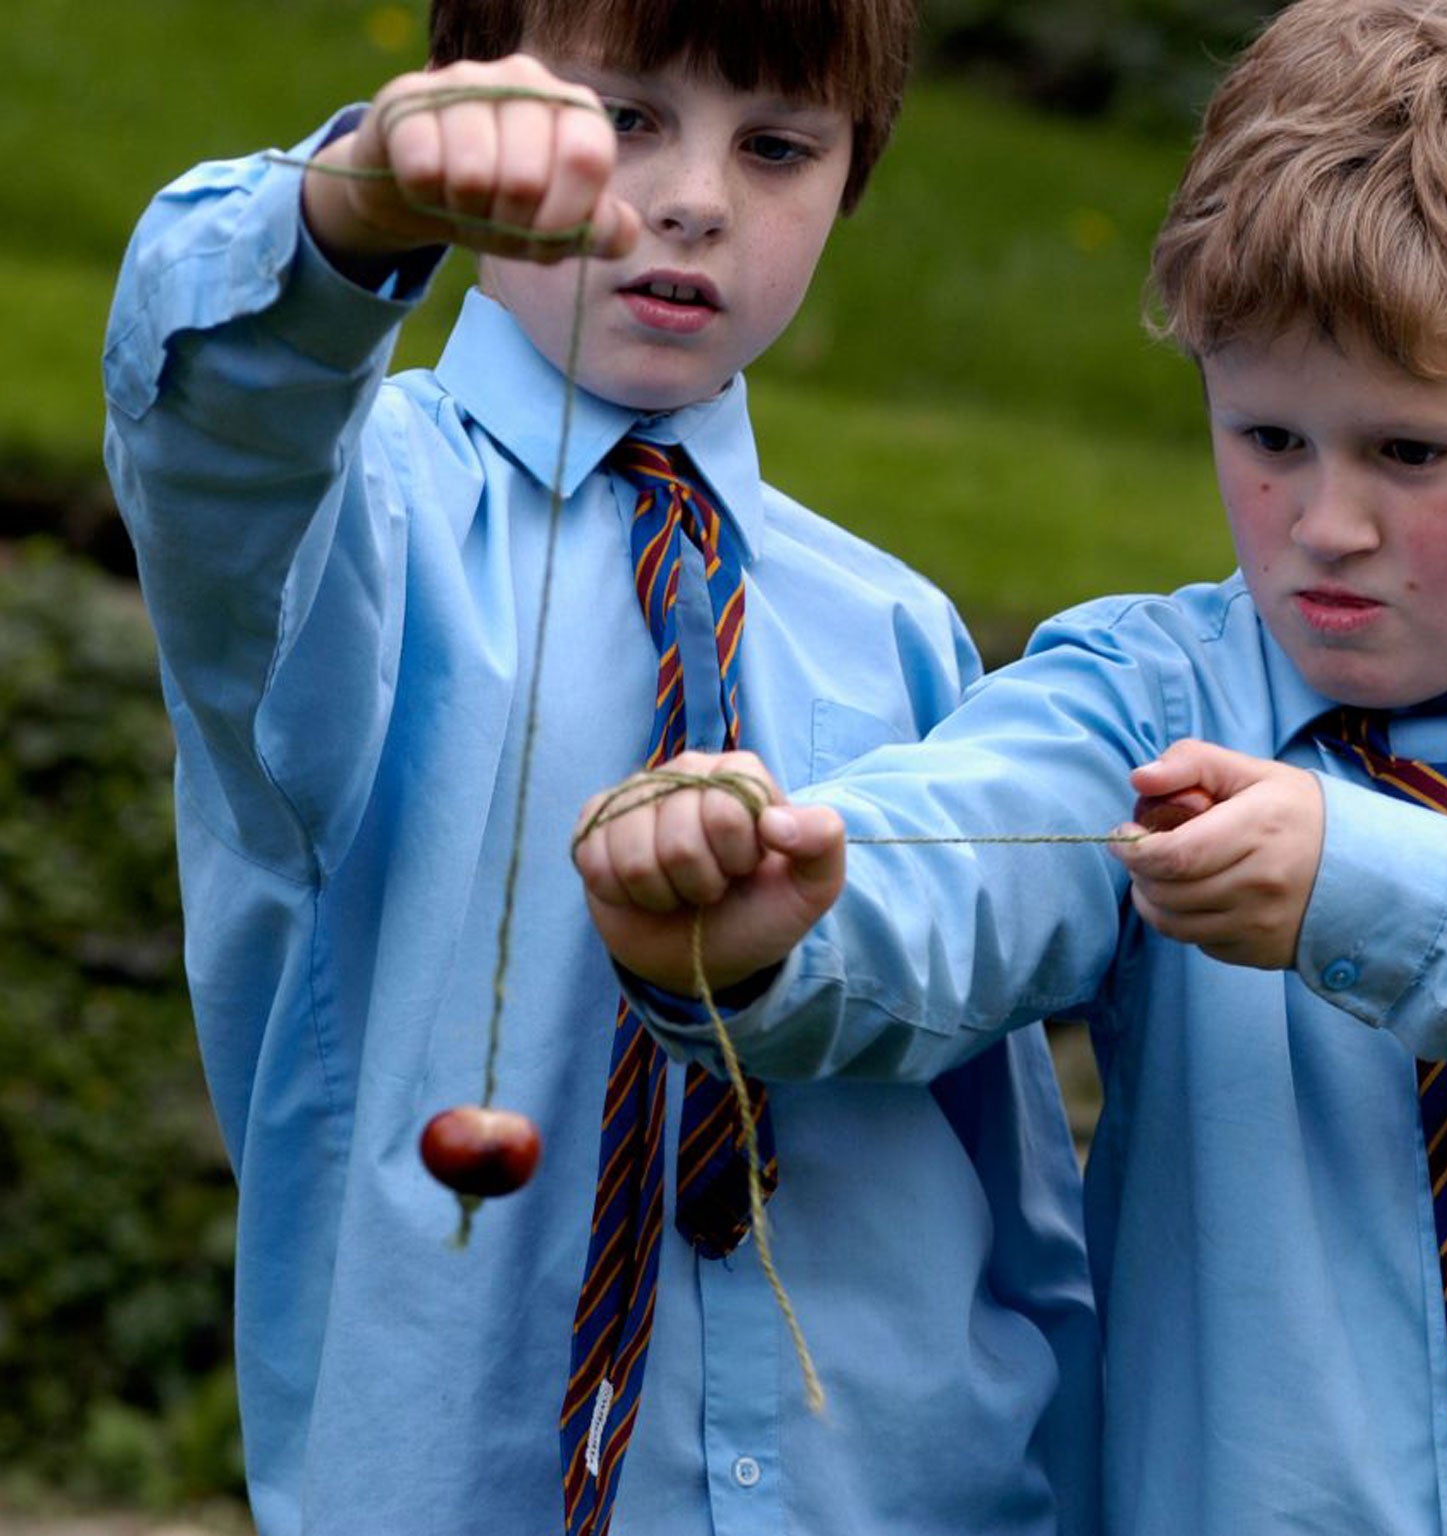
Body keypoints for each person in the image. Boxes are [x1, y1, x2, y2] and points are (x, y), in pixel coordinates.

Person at [573, 1, 1447, 1532]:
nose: (1327, 524)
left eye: (1411, 453)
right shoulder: (1142, 698)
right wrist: (770, 924)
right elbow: (950, 857)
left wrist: (1381, 889)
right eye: (1268, 437)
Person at [101, 2, 1099, 1533]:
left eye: (778, 147)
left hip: (898, 1490)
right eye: (625, 118)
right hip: (460, 1474)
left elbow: (1006, 1157)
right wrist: (353, 207)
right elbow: (222, 437)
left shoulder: (897, 632)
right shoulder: (355, 532)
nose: (696, 195)